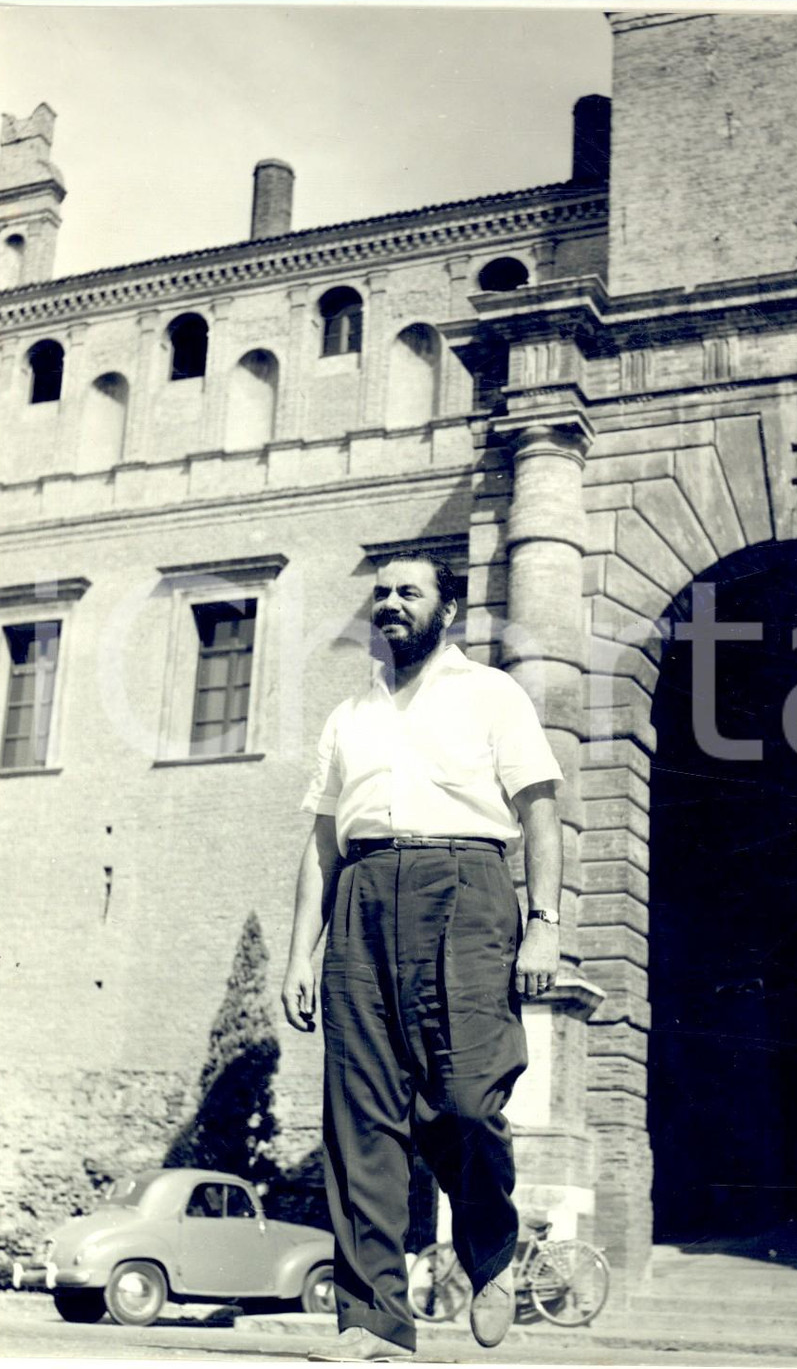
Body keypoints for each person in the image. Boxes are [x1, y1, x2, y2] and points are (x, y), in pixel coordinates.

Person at [282, 550, 563, 1363]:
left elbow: (539, 811)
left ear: (450, 608)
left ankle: (489, 1250)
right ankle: (373, 1324)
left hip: (467, 889)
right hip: (363, 900)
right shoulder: (350, 716)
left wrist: (543, 922)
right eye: (381, 594)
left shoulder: (492, 694)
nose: (391, 604)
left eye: (409, 591)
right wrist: (301, 954)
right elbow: (321, 846)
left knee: (467, 1100)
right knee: (359, 1119)